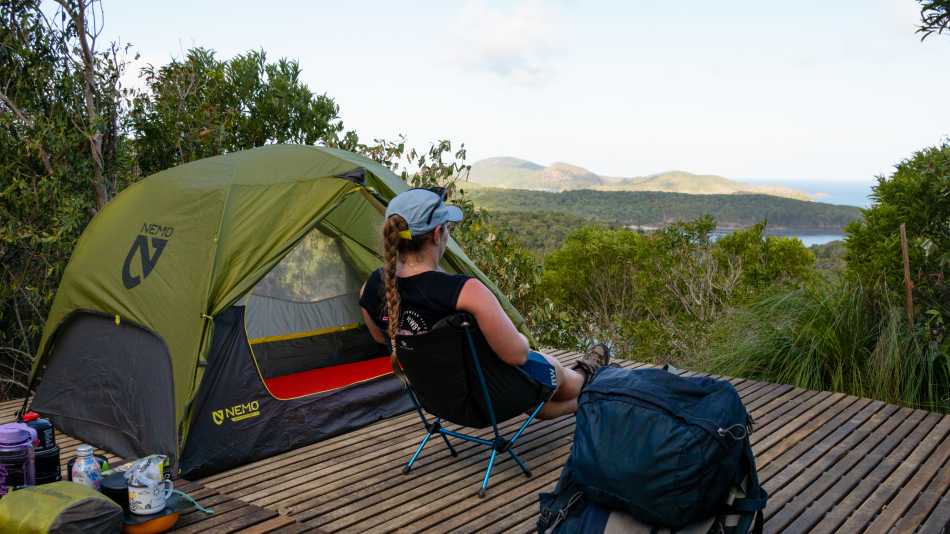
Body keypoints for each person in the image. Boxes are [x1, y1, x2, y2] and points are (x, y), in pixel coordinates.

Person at [358, 188, 610, 419]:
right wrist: (524, 343)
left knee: (535, 392)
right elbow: (517, 355)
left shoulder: (369, 289)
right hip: (491, 399)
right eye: (447, 228)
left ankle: (585, 394)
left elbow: (382, 339)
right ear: (437, 234)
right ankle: (590, 378)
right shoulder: (465, 291)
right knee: (547, 365)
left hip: (438, 400)